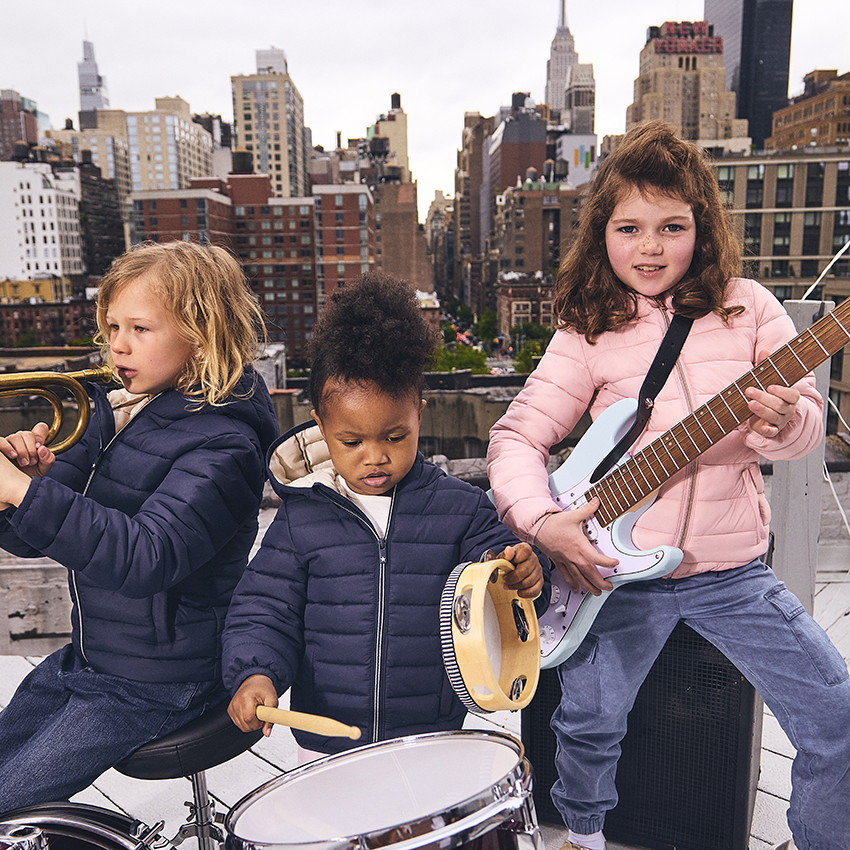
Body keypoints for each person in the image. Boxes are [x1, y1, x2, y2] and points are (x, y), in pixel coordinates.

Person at [486, 121, 850, 850]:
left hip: (732, 572)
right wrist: (543, 522)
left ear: (703, 228)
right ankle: (581, 836)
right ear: (602, 234)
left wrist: (784, 427)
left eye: (671, 227)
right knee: (588, 723)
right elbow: (517, 438)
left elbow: (807, 420)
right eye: (630, 228)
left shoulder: (749, 307)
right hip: (613, 576)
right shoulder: (587, 328)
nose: (649, 248)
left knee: (835, 717)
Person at [0, 241, 279, 811]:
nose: (117, 345)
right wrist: (24, 489)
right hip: (95, 656)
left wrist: (21, 491)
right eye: (112, 327)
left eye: (140, 329)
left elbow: (147, 558)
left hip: (164, 679)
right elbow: (32, 539)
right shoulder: (118, 408)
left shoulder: (226, 444)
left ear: (201, 336)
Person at [222, 271, 545, 758]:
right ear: (321, 426)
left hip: (432, 734)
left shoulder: (462, 509)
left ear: (419, 412)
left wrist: (524, 570)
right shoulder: (301, 516)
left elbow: (505, 598)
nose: (374, 456)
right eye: (351, 442)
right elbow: (265, 609)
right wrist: (255, 672)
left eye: (395, 437)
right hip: (329, 741)